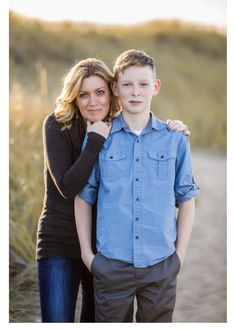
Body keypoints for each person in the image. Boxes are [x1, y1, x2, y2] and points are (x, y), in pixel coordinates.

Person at [36, 56, 190, 323]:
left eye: (99, 92)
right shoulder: (60, 126)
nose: (93, 101)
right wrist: (95, 140)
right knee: (57, 320)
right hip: (62, 239)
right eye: (84, 95)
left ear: (111, 92)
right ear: (74, 97)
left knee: (93, 320)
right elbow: (69, 188)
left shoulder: (129, 130)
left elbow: (181, 194)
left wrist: (173, 128)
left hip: (104, 246)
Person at [75, 49, 199, 323]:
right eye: (127, 84)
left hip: (161, 265)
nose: (135, 92)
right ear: (115, 88)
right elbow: (84, 197)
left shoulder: (175, 139)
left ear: (155, 87)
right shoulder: (100, 137)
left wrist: (178, 257)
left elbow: (186, 200)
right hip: (111, 266)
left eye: (143, 84)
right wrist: (88, 255)